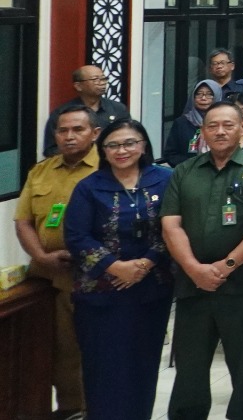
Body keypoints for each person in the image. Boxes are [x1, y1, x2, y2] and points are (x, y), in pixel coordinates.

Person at [160, 101, 243, 420]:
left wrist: (227, 266)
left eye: (228, 125)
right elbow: (170, 224)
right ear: (203, 131)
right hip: (194, 287)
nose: (220, 131)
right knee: (190, 368)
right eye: (212, 126)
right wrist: (193, 268)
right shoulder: (184, 172)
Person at [64, 118, 173, 420]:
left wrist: (146, 263)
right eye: (112, 145)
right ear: (103, 150)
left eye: (129, 143)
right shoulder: (89, 187)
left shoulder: (165, 180)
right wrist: (115, 267)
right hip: (102, 296)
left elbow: (175, 226)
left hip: (151, 292)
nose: (121, 150)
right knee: (105, 370)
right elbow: (76, 236)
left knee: (143, 366)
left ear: (143, 146)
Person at [15, 108, 98, 415]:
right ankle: (66, 409)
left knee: (87, 350)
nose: (69, 136)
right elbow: (23, 221)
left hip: (91, 278)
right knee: (51, 351)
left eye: (78, 129)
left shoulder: (107, 169)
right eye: (63, 131)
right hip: (45, 277)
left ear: (95, 133)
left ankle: (90, 409)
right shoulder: (41, 171)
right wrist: (41, 256)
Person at [42, 64, 131, 156]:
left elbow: (128, 140)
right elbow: (50, 150)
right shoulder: (62, 113)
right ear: (78, 86)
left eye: (104, 79)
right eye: (95, 79)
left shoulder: (118, 109)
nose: (102, 83)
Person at [166, 79, 223, 165]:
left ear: (217, 96)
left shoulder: (224, 122)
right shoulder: (181, 123)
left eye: (209, 94)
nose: (203, 98)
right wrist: (193, 165)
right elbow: (170, 154)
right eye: (199, 94)